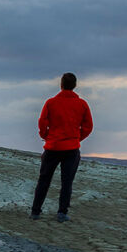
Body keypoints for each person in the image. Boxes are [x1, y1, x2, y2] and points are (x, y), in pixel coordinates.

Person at [30, 72, 93, 222]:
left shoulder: (51, 102)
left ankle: (35, 211)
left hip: (52, 147)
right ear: (75, 85)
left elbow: (42, 122)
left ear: (61, 84)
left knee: (44, 180)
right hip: (71, 148)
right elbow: (88, 126)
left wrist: (46, 136)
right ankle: (62, 213)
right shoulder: (82, 104)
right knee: (67, 182)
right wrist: (77, 138)